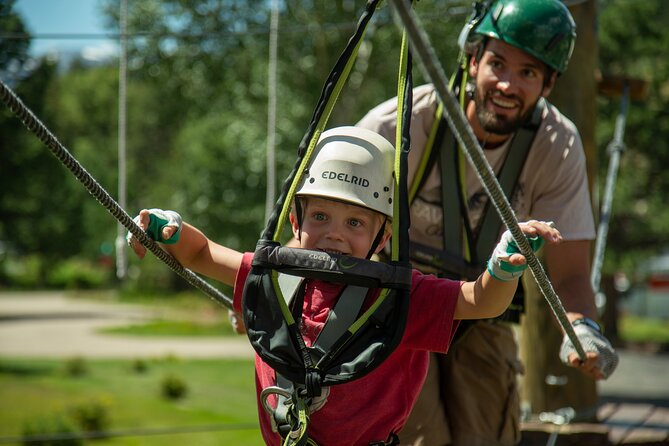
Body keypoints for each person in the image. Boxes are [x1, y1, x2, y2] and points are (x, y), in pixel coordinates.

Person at [128, 126, 561, 445]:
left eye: (354, 222)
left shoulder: (398, 296)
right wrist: (169, 230)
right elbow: (202, 254)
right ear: (295, 221)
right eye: (320, 217)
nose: (335, 234)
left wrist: (503, 267)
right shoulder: (276, 276)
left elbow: (478, 301)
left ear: (383, 236)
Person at [356, 0, 619, 445]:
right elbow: (329, 219)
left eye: (528, 72)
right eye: (497, 63)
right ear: (473, 59)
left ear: (549, 84)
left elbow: (571, 272)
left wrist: (583, 329)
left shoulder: (557, 146)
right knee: (416, 435)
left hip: (483, 311)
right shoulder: (403, 123)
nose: (506, 83)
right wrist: (281, 286)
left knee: (489, 433)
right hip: (395, 307)